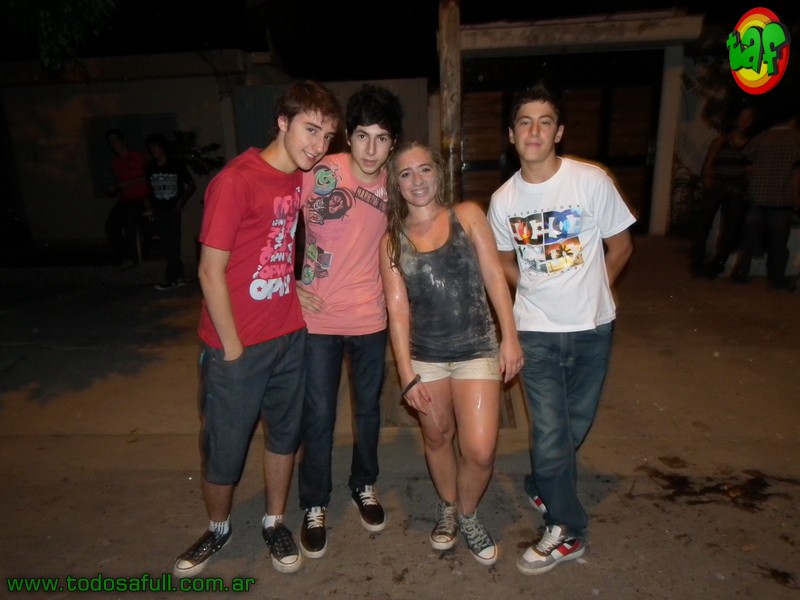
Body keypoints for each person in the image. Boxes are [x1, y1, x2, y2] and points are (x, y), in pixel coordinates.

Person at [172, 81, 342, 578]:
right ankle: (217, 528)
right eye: (311, 129)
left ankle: (274, 521)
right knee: (224, 448)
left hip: (289, 335)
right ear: (283, 122)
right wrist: (232, 349)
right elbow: (209, 271)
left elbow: (273, 244)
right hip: (238, 346)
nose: (318, 144)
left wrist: (291, 283)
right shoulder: (235, 181)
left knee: (284, 437)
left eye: (327, 135)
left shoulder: (296, 179)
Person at [487, 83, 636, 576]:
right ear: (512, 135)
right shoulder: (504, 200)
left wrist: (595, 288)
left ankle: (543, 483)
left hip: (593, 327)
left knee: (575, 426)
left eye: (545, 121)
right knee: (551, 430)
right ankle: (567, 529)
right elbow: (502, 261)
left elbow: (621, 246)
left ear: (559, 132)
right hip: (536, 331)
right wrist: (532, 287)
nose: (534, 130)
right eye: (524, 122)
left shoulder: (590, 181)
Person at [379, 141, 523, 566]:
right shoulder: (391, 242)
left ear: (438, 173)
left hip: (477, 348)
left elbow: (495, 277)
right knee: (437, 436)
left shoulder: (468, 215)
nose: (417, 180)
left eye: (424, 169)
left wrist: (510, 337)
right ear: (396, 184)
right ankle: (448, 507)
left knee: (480, 450)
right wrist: (406, 373)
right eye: (406, 173)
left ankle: (468, 512)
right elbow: (397, 312)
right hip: (425, 357)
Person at [295, 84, 403, 559]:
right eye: (362, 136)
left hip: (369, 316)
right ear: (349, 137)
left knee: (367, 410)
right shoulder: (318, 172)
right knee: (318, 413)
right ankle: (314, 502)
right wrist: (287, 281)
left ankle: (364, 483)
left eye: (382, 138)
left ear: (393, 143)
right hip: (317, 318)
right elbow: (273, 225)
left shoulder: (397, 185)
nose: (370, 149)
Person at [729, 104, 800, 290]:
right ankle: (777, 280)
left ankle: (740, 274)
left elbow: (747, 161)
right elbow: (796, 173)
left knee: (749, 240)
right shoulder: (796, 139)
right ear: (792, 120)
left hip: (758, 197)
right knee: (778, 244)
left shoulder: (762, 137)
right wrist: (796, 198)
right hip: (781, 200)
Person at [689, 105, 757, 279]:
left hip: (736, 190)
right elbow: (708, 163)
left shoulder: (751, 145)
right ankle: (698, 260)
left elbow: (751, 170)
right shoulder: (721, 141)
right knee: (704, 223)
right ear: (736, 119)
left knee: (730, 228)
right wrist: (707, 178)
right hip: (716, 187)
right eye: (742, 117)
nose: (744, 121)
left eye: (748, 118)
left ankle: (718, 263)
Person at [145, 133, 197, 290]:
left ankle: (172, 278)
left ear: (162, 148)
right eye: (150, 148)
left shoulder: (176, 165)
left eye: (155, 147)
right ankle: (178, 276)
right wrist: (149, 204)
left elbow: (191, 185)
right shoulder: (150, 167)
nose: (152, 150)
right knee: (166, 244)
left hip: (173, 210)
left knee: (173, 243)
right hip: (159, 210)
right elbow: (149, 188)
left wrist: (180, 202)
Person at [104, 128, 150, 269]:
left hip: (140, 198)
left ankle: (131, 257)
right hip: (125, 199)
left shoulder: (137, 157)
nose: (113, 144)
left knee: (130, 223)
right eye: (110, 142)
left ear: (123, 141)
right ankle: (127, 254)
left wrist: (126, 184)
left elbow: (147, 177)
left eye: (115, 140)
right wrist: (115, 187)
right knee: (110, 227)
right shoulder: (116, 162)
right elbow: (121, 183)